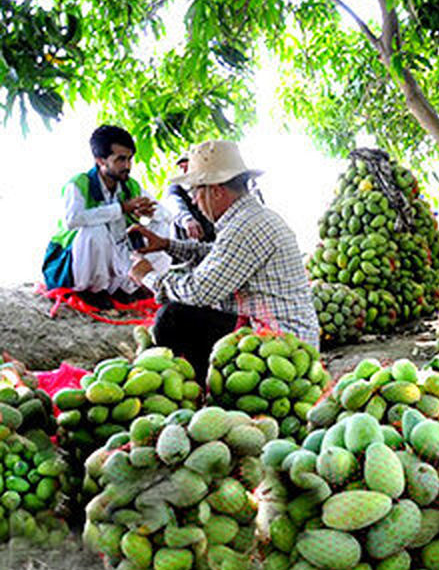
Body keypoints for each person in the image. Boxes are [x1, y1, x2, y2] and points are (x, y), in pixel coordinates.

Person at [127, 139, 319, 379]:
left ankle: (207, 389)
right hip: (286, 338)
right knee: (182, 313)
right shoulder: (249, 217)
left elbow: (200, 291)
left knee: (173, 318)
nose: (195, 201)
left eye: (196, 192)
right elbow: (217, 254)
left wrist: (149, 276)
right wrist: (167, 244)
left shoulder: (245, 226)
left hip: (282, 350)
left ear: (216, 192)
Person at [42, 124, 167, 306]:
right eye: (120, 159)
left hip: (118, 256)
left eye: (130, 159)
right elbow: (73, 220)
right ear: (100, 160)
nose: (127, 166)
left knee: (161, 230)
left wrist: (150, 213)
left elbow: (165, 213)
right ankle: (93, 291)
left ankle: (126, 288)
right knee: (96, 231)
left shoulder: (130, 185)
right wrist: (121, 208)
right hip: (75, 265)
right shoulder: (78, 184)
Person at [164, 154, 216, 241]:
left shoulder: (206, 186)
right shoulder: (174, 188)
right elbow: (174, 205)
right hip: (186, 243)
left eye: (187, 165)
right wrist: (187, 220)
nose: (184, 169)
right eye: (181, 167)